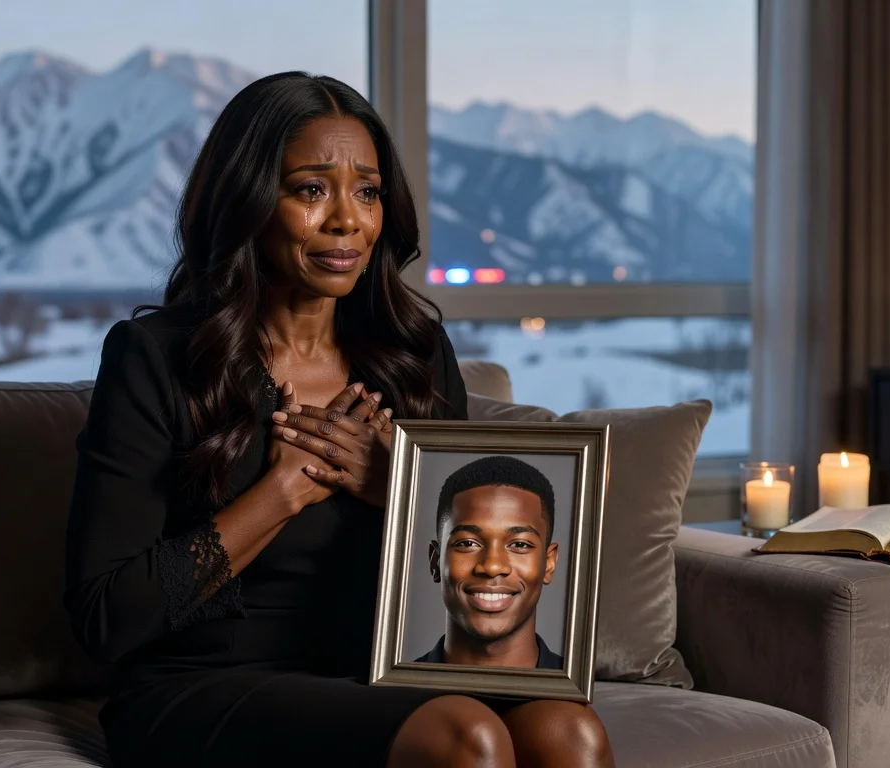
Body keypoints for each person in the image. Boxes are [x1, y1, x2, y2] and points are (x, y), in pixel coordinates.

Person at [64, 71, 613, 768]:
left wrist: (401, 491)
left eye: (368, 192)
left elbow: (457, 593)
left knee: (570, 731)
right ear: (247, 200)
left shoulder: (413, 354)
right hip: (203, 684)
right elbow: (106, 615)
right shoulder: (155, 357)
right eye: (311, 190)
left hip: (377, 671)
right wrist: (281, 492)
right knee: (465, 736)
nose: (347, 219)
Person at [416, 456, 564, 670]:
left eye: (520, 544)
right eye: (468, 543)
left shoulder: (582, 686)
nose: (493, 566)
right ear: (435, 561)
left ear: (548, 564)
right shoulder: (391, 686)